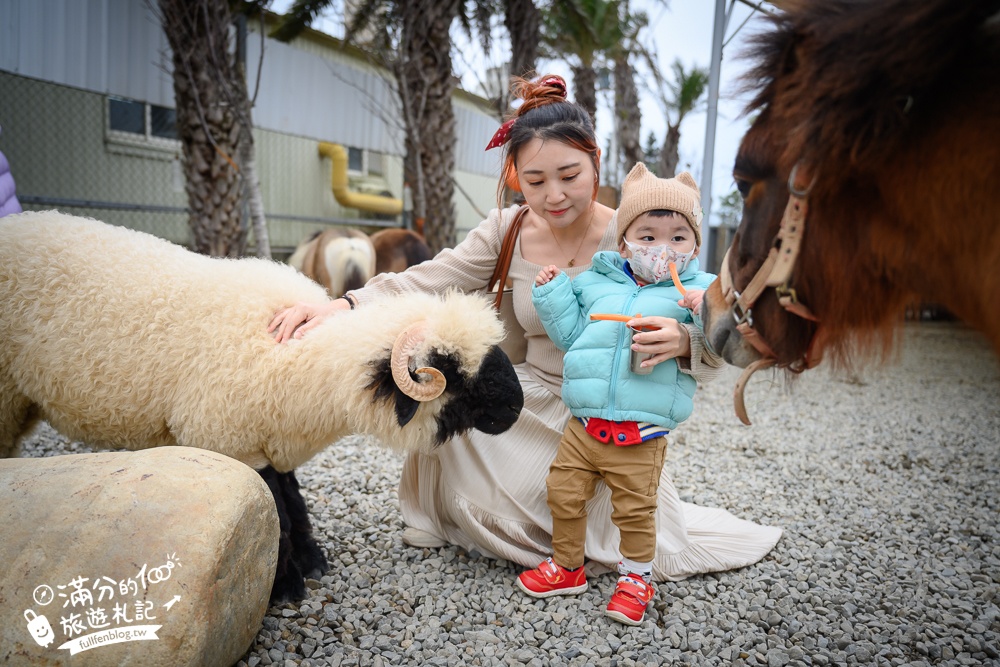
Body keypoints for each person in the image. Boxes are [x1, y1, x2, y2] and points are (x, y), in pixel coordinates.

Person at [269, 74, 781, 587]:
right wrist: (346, 302)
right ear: (516, 177)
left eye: (569, 175)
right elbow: (427, 278)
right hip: (526, 396)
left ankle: (565, 545)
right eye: (535, 181)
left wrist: (685, 341)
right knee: (445, 395)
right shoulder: (506, 229)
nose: (553, 195)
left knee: (633, 531)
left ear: (596, 161)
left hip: (608, 408)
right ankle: (447, 513)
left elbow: (720, 328)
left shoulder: (642, 232)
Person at [518, 163, 712, 625]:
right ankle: (567, 566)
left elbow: (725, 343)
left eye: (678, 237)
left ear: (695, 246)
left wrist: (701, 318)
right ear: (623, 239)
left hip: (642, 433)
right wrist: (554, 295)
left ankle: (636, 579)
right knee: (563, 494)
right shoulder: (595, 282)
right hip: (583, 424)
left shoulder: (701, 291)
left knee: (635, 511)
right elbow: (570, 337)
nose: (661, 248)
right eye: (647, 236)